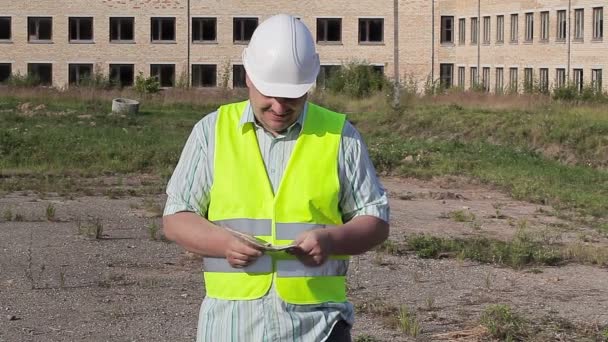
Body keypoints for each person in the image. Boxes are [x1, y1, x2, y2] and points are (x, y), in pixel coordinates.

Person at [162, 14, 389, 342]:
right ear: (248, 77)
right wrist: (223, 244)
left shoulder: (340, 136)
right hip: (230, 327)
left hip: (318, 328)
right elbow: (176, 218)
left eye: (292, 96)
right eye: (270, 93)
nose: (279, 106)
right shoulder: (211, 132)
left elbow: (376, 220)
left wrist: (331, 240)